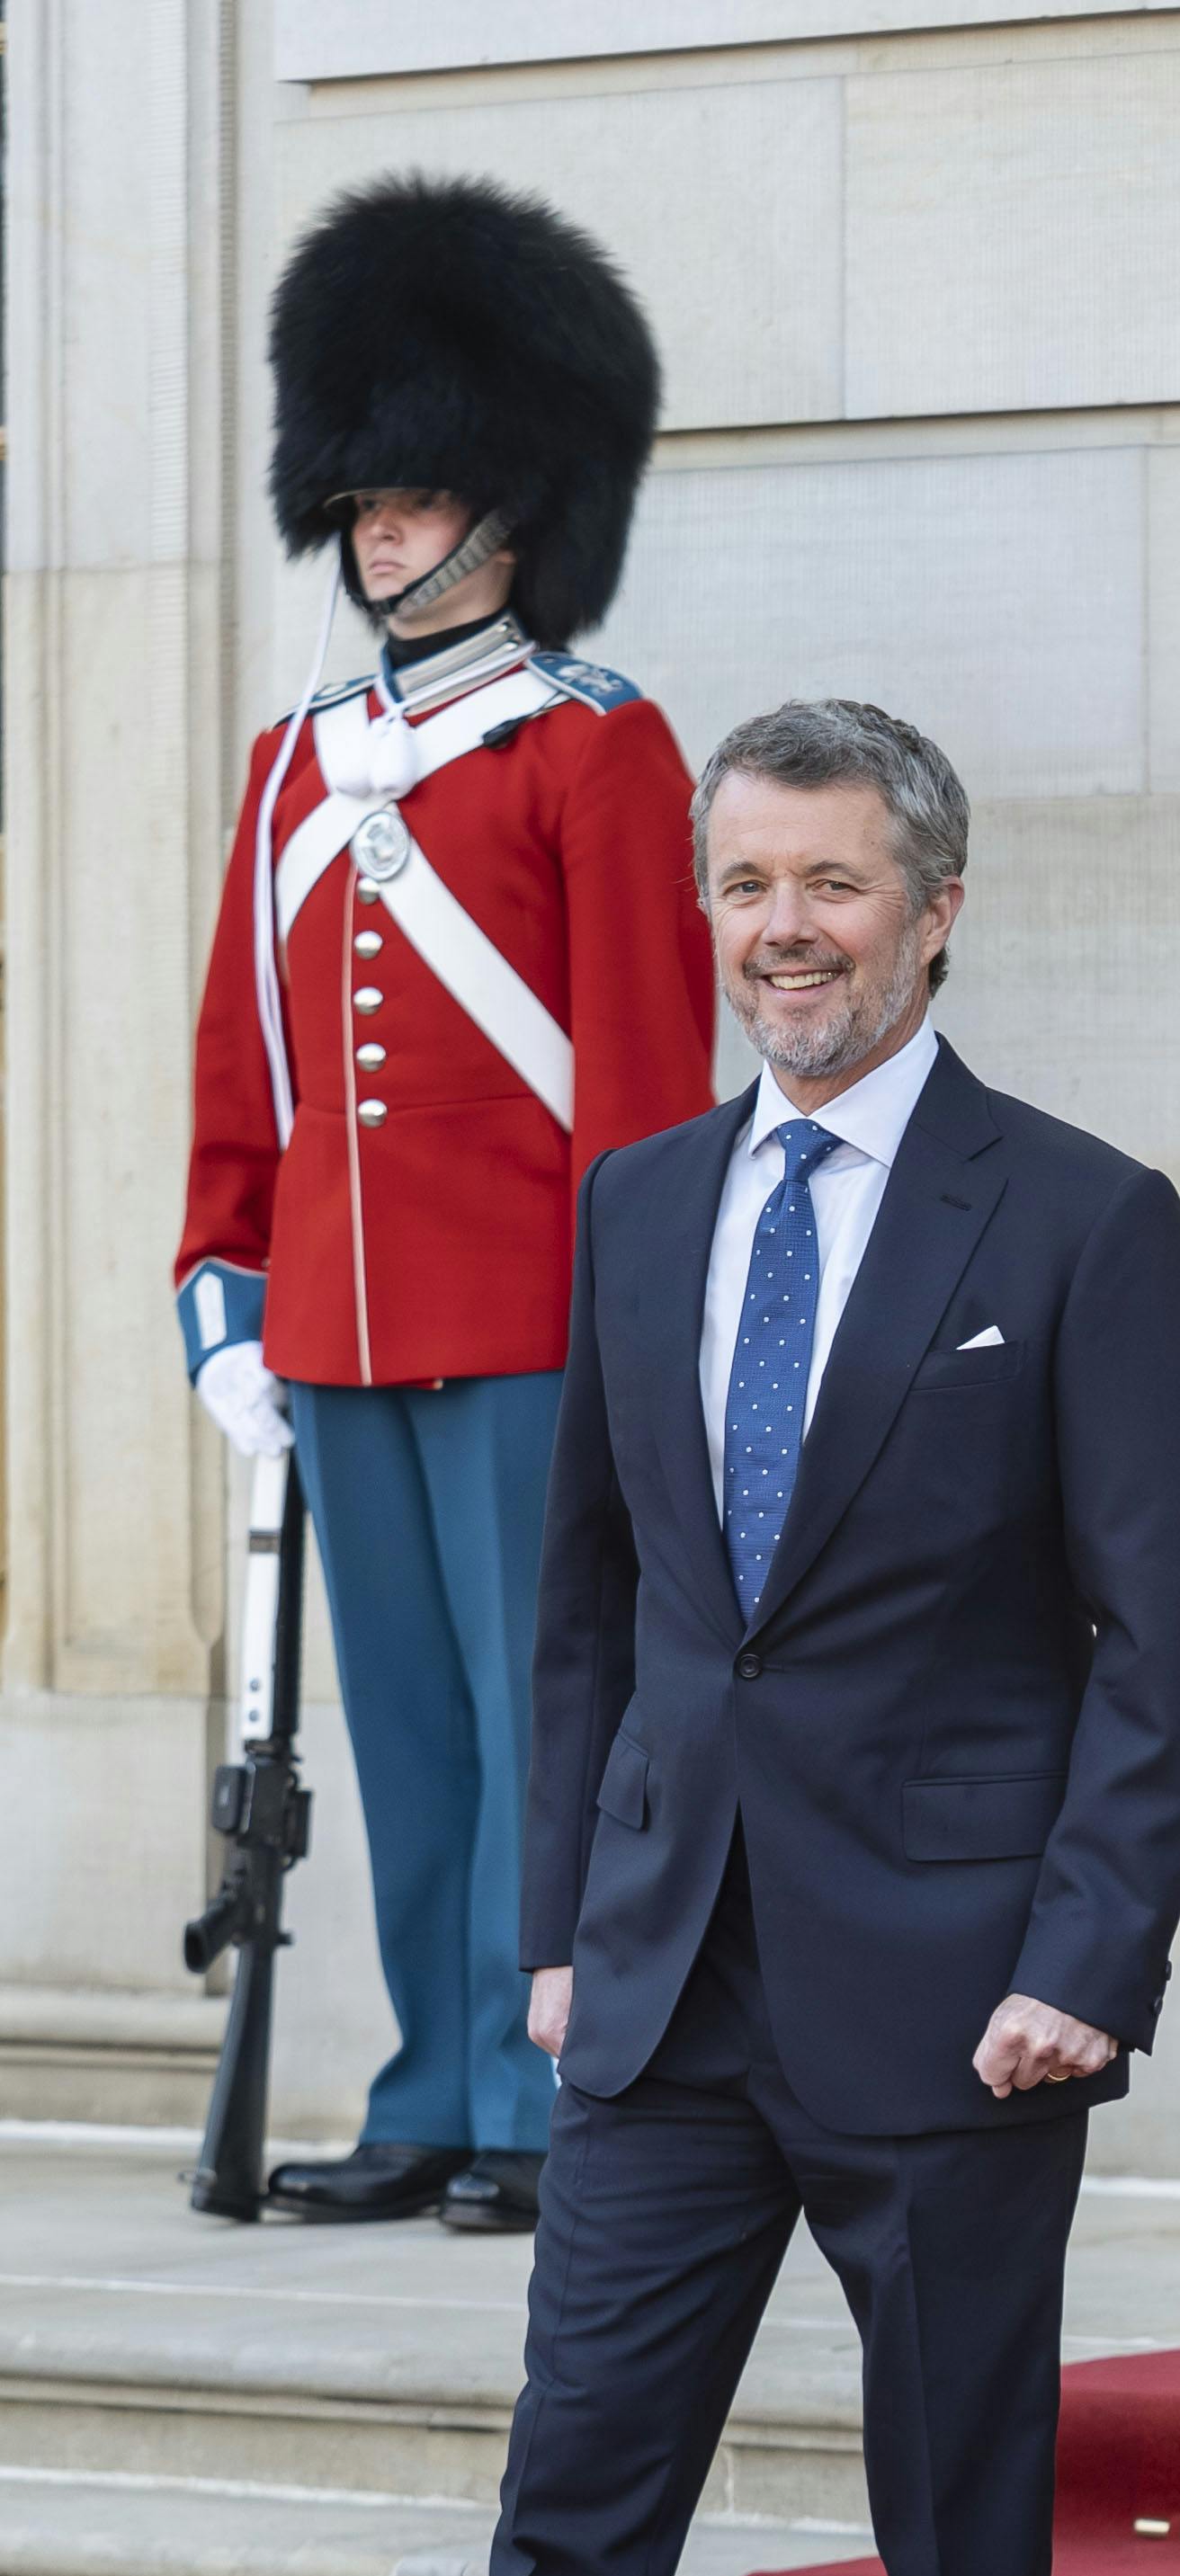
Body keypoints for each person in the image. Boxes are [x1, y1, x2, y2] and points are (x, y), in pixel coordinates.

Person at [228, 699, 1180, 2576]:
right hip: (662, 2002)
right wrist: (552, 1930)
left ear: (935, 904)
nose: (784, 929)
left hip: (959, 2011)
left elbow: (1162, 1633)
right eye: (750, 885)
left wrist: (1086, 1956)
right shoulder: (644, 1200)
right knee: (571, 2520)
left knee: (954, 2541)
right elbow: (585, 1609)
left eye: (833, 886)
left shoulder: (1084, 1219)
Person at [174, 175, 713, 2233]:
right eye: (367, 497)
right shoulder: (295, 765)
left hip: (534, 1322)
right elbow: (252, 1067)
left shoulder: (596, 748)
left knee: (545, 1723)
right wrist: (227, 1296)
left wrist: (632, 1327)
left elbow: (650, 1088)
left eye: (419, 493)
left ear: (513, 504)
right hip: (336, 1330)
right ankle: (430, 2082)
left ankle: (543, 2104)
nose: (383, 528)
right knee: (400, 1732)